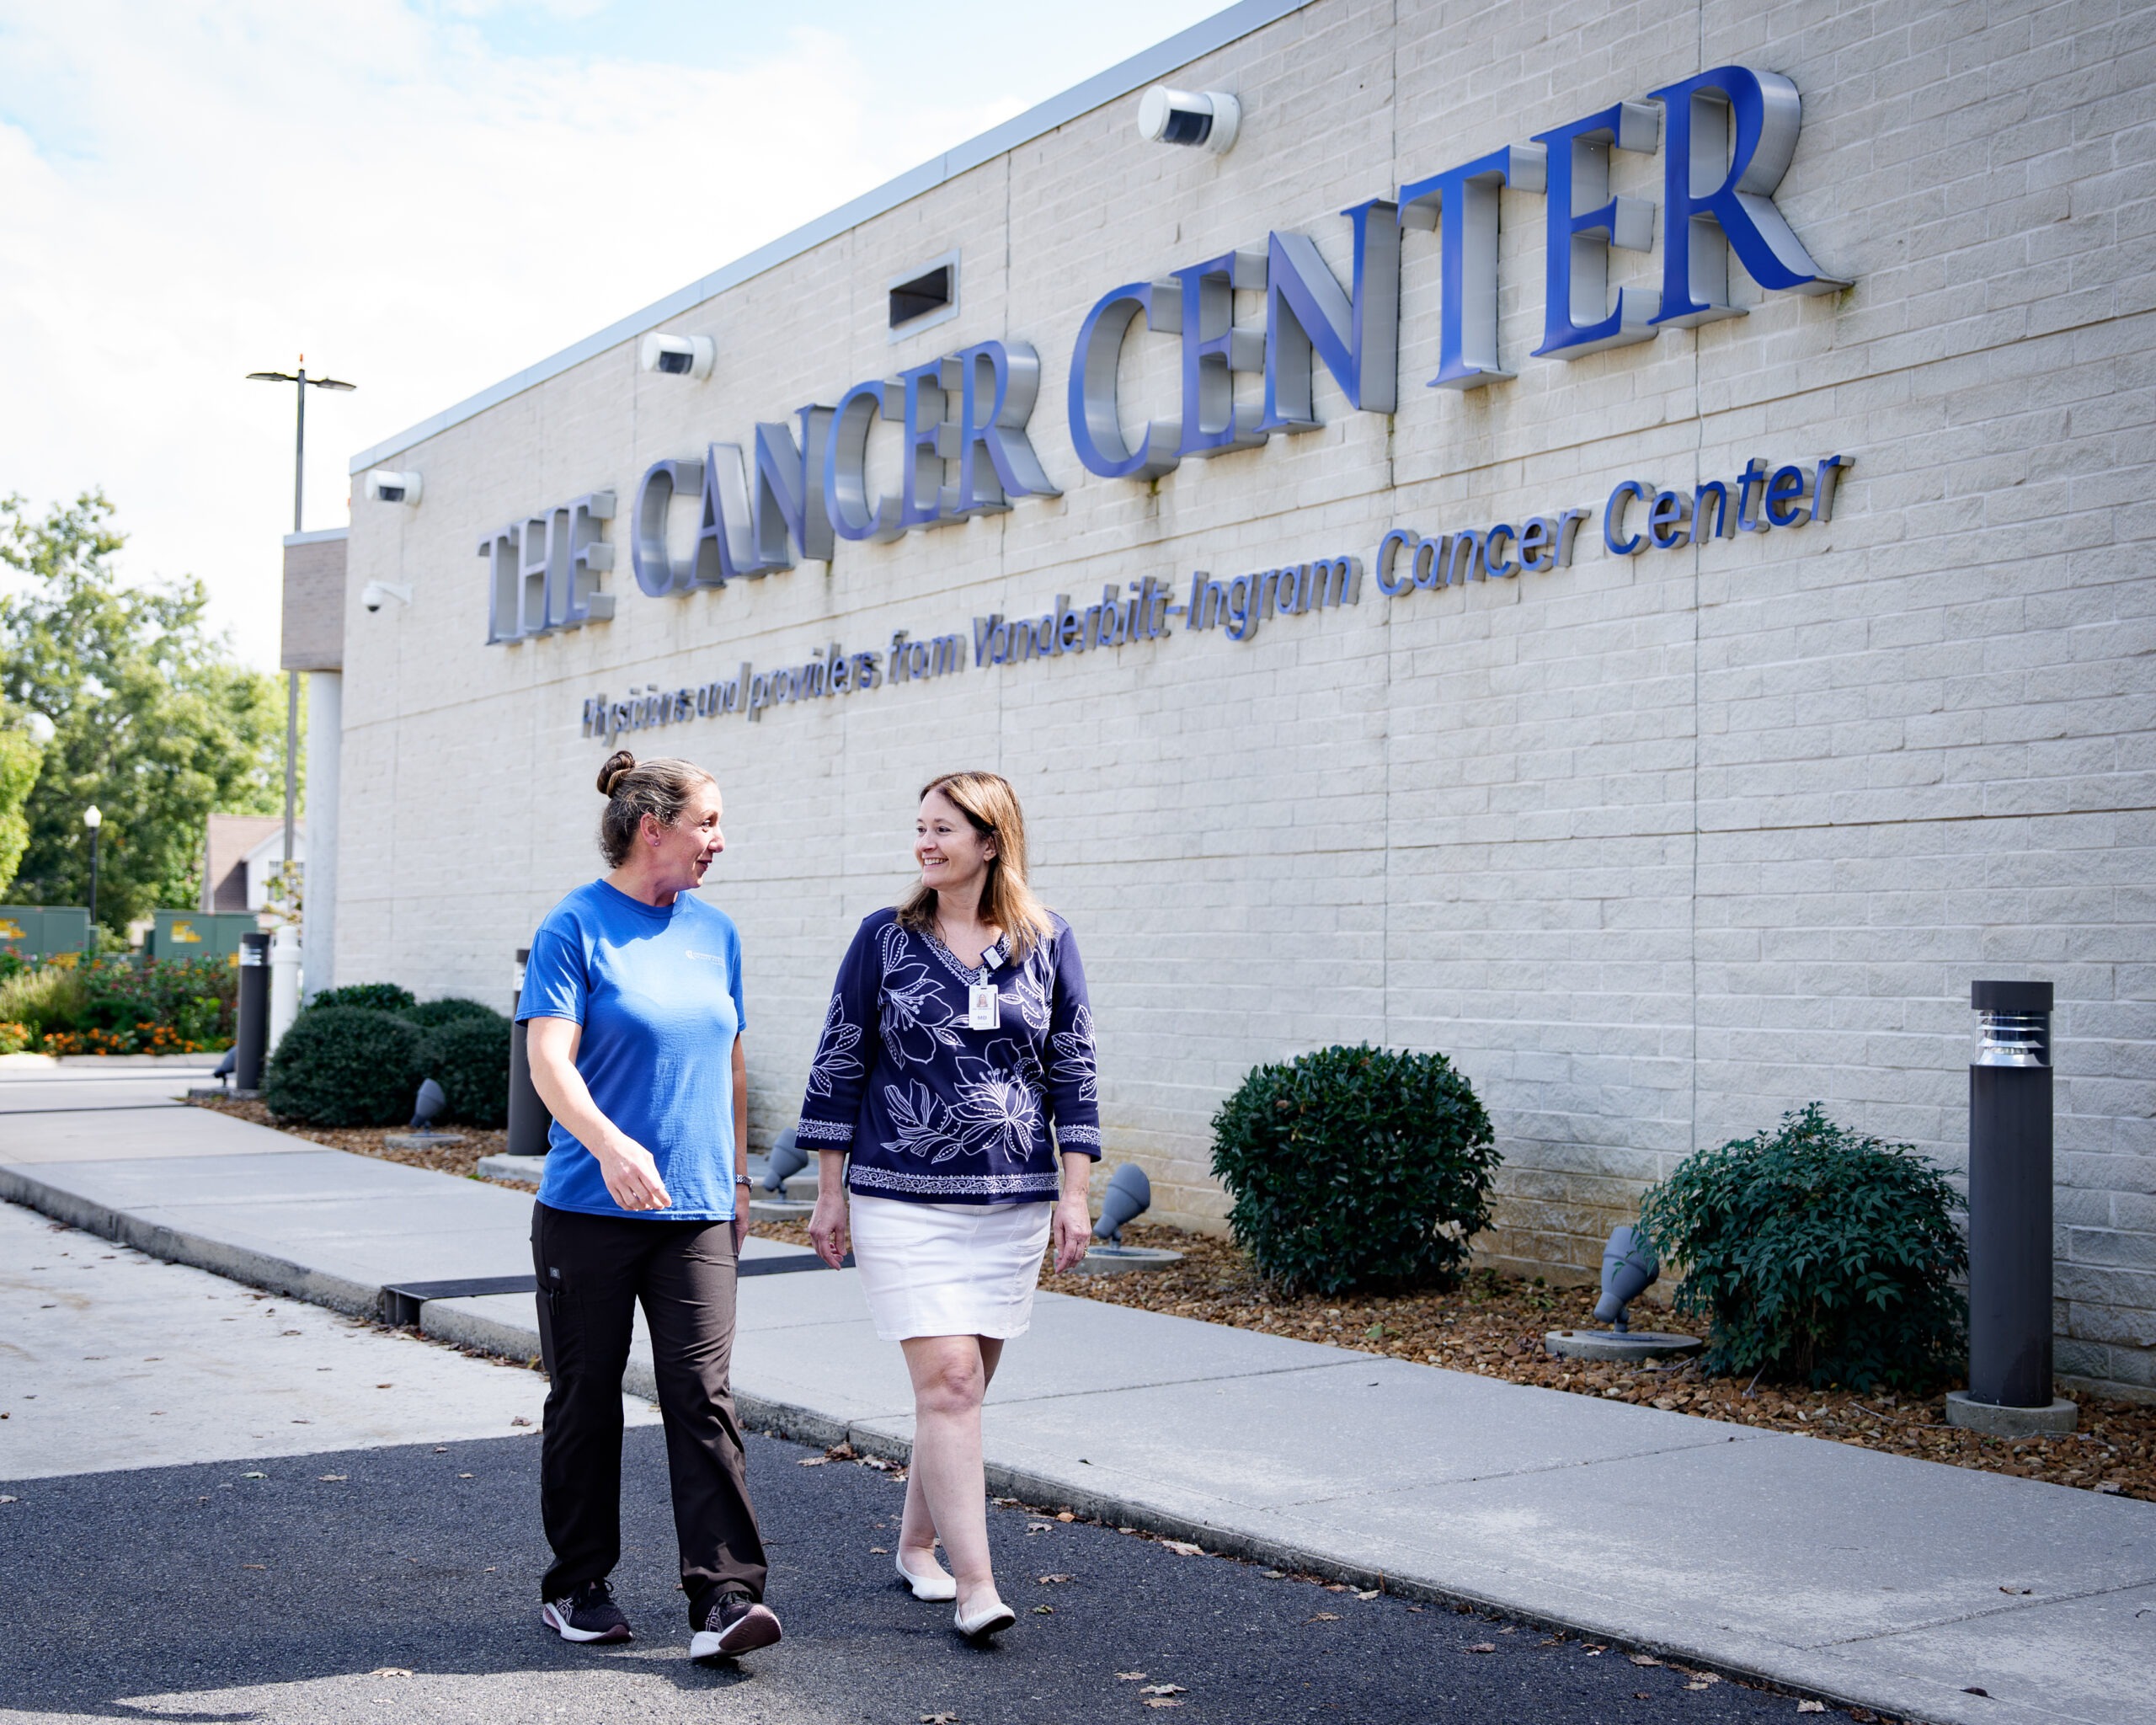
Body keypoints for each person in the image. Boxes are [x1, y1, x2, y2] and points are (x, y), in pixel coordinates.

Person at [800, 771, 1098, 1640]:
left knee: (955, 1400)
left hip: (1011, 1201)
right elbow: (839, 1061)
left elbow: (1073, 1070)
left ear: (991, 840)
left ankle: (917, 1544)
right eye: (919, 828)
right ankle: (977, 1585)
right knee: (954, 1384)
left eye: (942, 829)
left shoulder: (1046, 940)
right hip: (901, 1194)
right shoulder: (885, 940)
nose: (925, 843)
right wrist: (829, 1189)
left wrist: (1075, 1192)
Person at [519, 750, 782, 1663]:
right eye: (708, 821)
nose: (721, 839)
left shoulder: (717, 933)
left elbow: (734, 1059)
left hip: (699, 1210)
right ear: (651, 827)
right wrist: (609, 1141)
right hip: (588, 1208)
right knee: (587, 1398)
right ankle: (577, 1584)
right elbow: (549, 1059)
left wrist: (741, 1179)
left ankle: (725, 1596)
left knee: (701, 1396)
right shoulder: (574, 926)